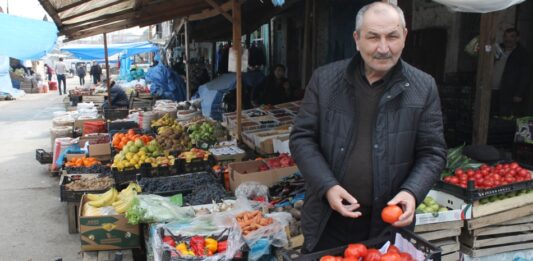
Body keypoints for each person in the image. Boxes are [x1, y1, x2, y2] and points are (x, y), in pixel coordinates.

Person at [289, 2, 446, 253]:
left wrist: (412, 192)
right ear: (357, 39)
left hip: (388, 223)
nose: (383, 48)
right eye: (373, 37)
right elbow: (301, 139)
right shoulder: (326, 80)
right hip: (328, 219)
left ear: (404, 37)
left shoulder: (423, 87)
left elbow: (432, 152)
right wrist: (327, 186)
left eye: (392, 37)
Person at [491, 28, 531, 117]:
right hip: (492, 89)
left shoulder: (522, 54)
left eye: (512, 36)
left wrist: (519, 94)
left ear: (517, 38)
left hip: (509, 92)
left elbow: (525, 75)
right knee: (491, 114)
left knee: (505, 117)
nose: (508, 39)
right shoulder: (497, 49)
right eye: (505, 36)